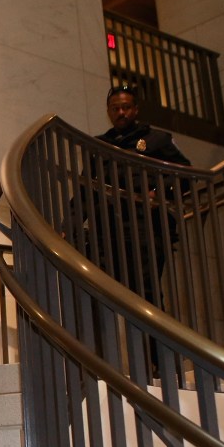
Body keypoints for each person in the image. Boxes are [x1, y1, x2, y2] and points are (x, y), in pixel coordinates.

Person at [93, 85, 192, 309]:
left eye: (126, 107)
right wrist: (67, 225)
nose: (121, 113)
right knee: (104, 293)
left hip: (146, 226)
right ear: (108, 111)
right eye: (115, 108)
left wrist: (158, 193)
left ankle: (155, 344)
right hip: (108, 229)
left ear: (135, 110)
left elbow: (184, 173)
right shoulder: (99, 144)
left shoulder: (157, 139)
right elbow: (86, 189)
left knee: (146, 293)